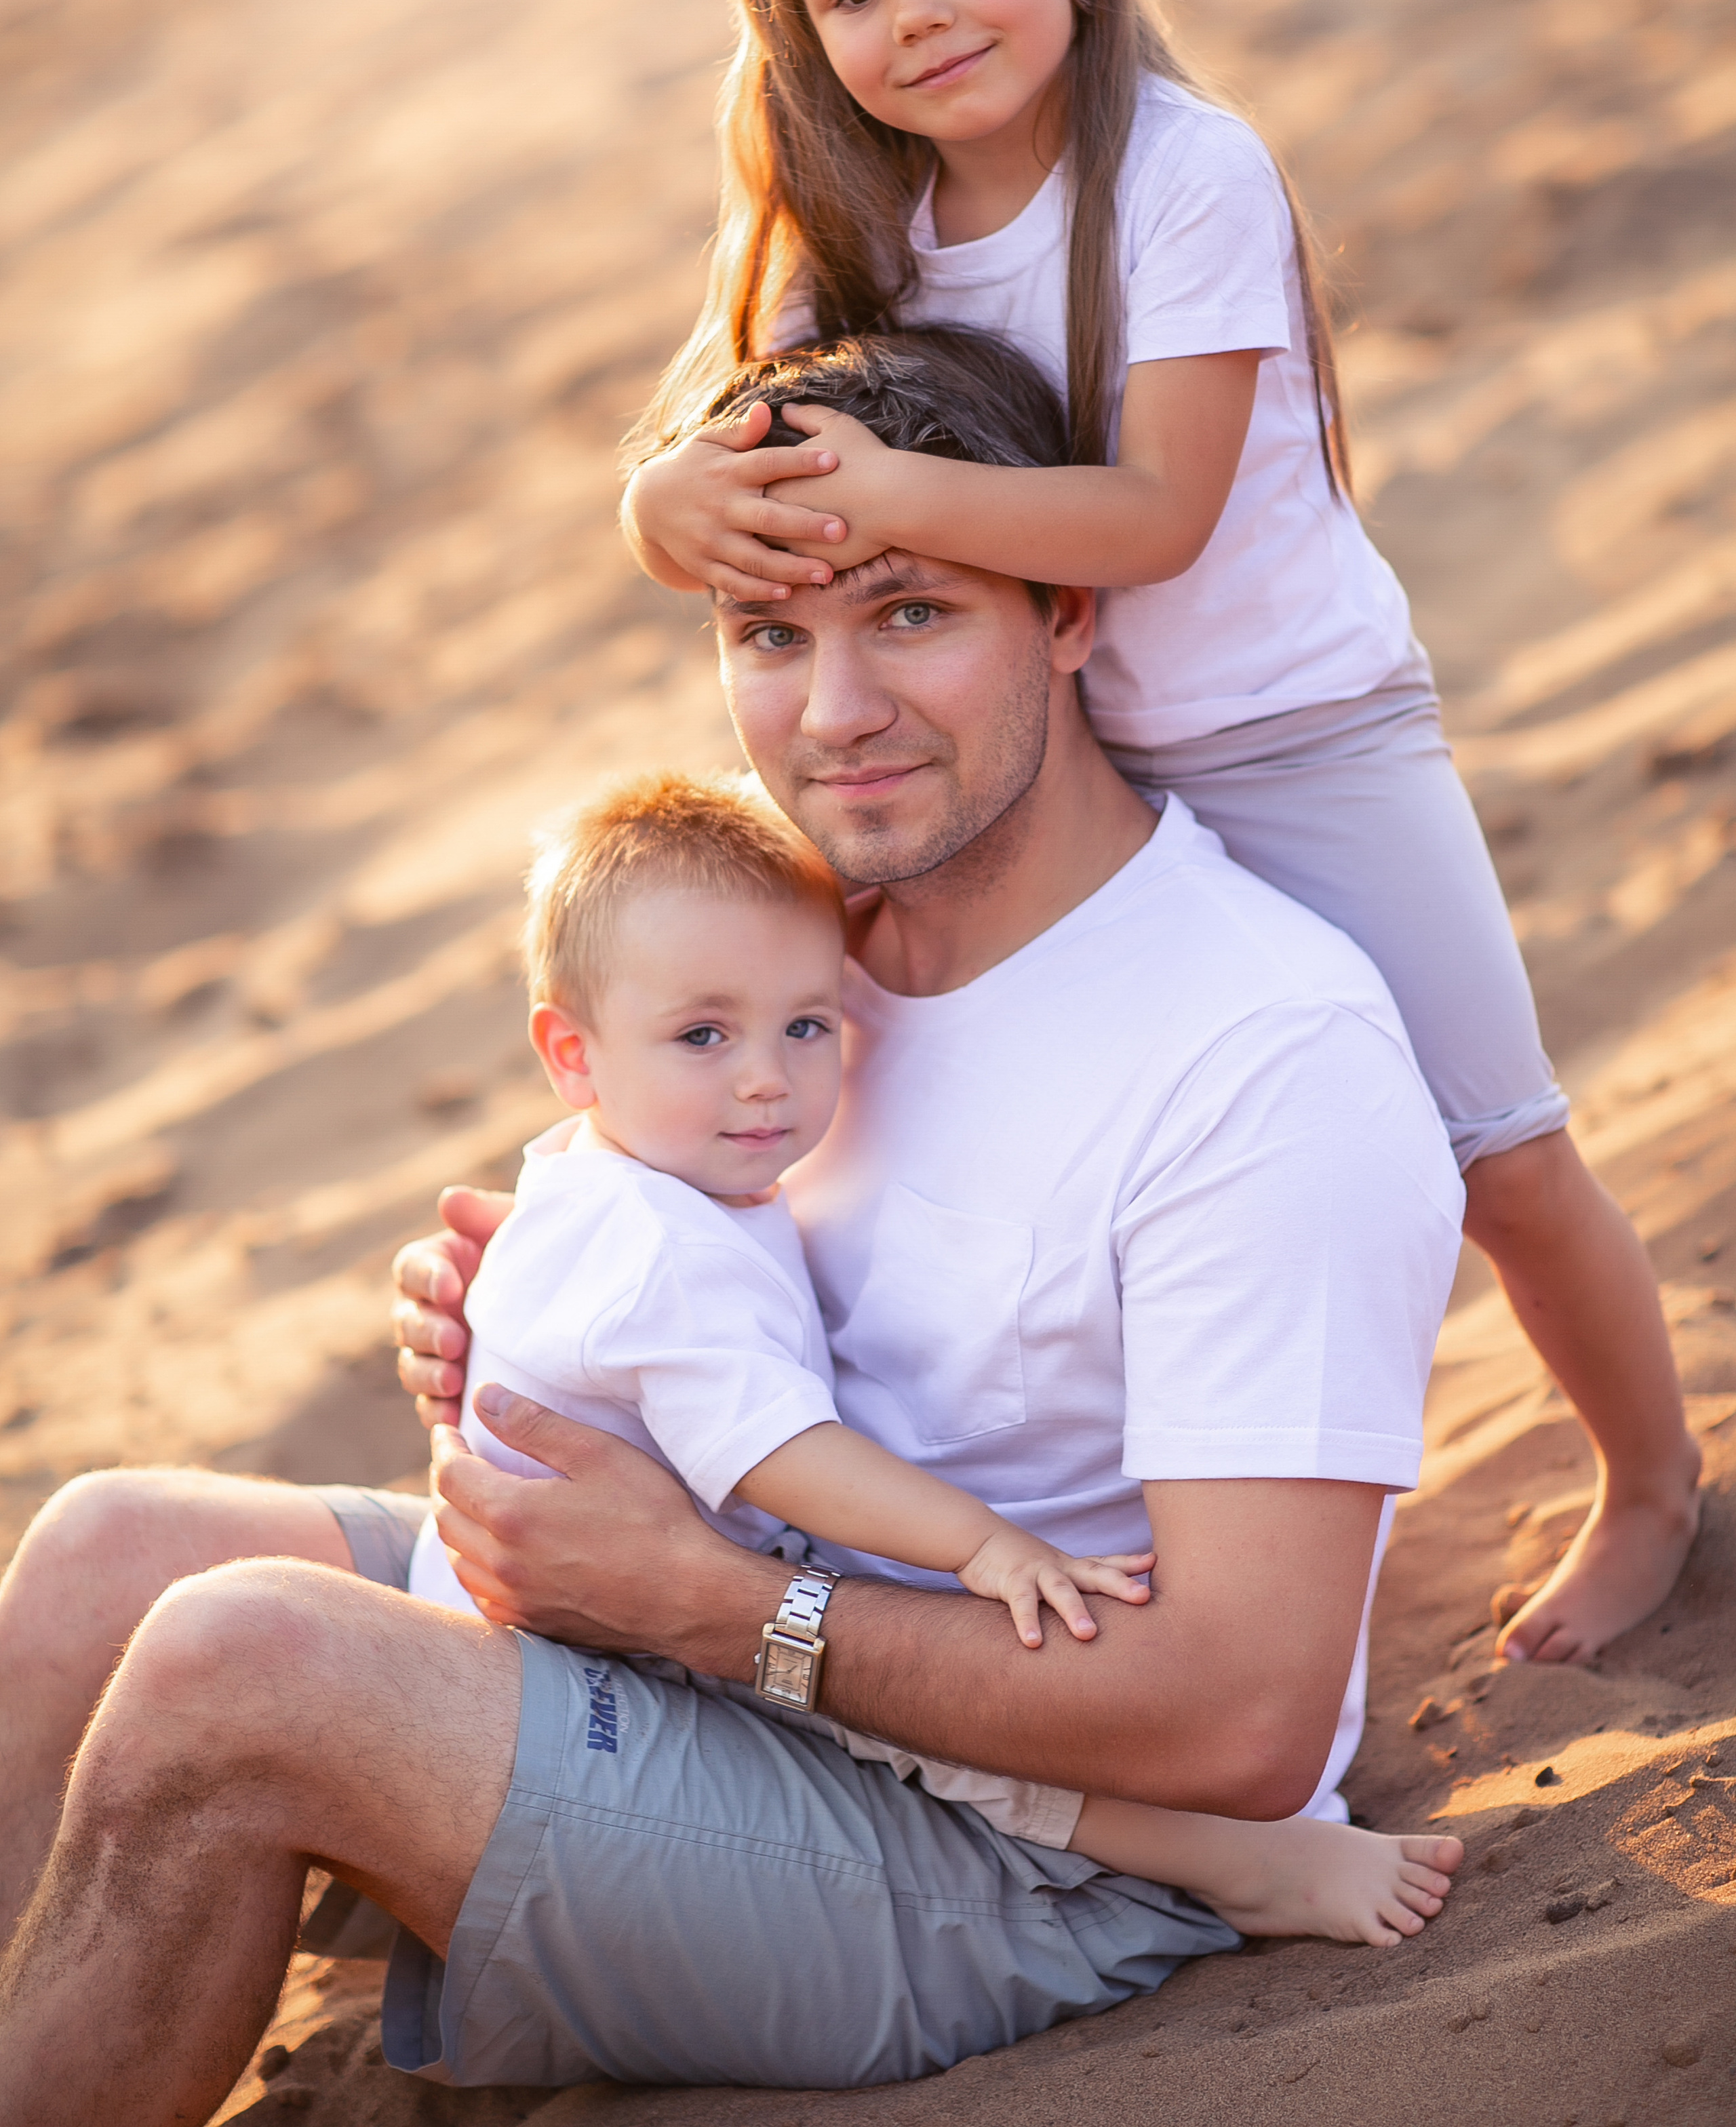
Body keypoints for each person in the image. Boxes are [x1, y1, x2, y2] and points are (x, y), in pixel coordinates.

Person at [0, 335, 1463, 2120]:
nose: (832, 712)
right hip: (715, 1648)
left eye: (910, 613)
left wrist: (722, 1612)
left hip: (1035, 1856)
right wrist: (515, 1314)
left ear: (1069, 610)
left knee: (245, 1670)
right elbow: (685, 1237)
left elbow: (1243, 1723)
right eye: (771, 634)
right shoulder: (795, 941)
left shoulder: (1258, 1055)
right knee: (100, 1553)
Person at [615, 0, 1699, 1667]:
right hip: (1067, 760)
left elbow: (1155, 518)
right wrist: (657, 502)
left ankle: (1649, 1476)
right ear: (799, 29)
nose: (920, 15)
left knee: (1499, 1148)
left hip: (1300, 731)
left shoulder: (1186, 178)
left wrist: (897, 500)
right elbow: (722, 428)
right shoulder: (847, 209)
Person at [412, 753, 1457, 1946]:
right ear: (573, 1054)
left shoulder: (624, 1167)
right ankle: (1239, 1865)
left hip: (557, 1583)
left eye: (807, 1025)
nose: (766, 1080)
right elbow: (775, 1450)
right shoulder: (659, 1237)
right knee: (902, 1732)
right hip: (592, 1627)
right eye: (704, 1036)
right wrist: (984, 1546)